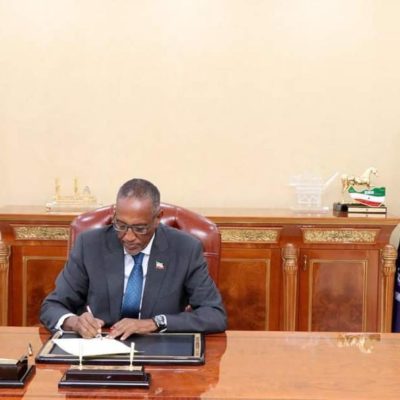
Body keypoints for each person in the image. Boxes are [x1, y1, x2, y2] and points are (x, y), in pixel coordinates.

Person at [40, 178, 227, 339]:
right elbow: (52, 306)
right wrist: (74, 322)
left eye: (140, 228)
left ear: (157, 218)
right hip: (101, 346)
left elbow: (214, 315)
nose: (128, 237)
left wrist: (155, 323)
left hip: (159, 348)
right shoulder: (90, 245)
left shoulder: (185, 249)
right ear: (115, 216)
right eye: (121, 225)